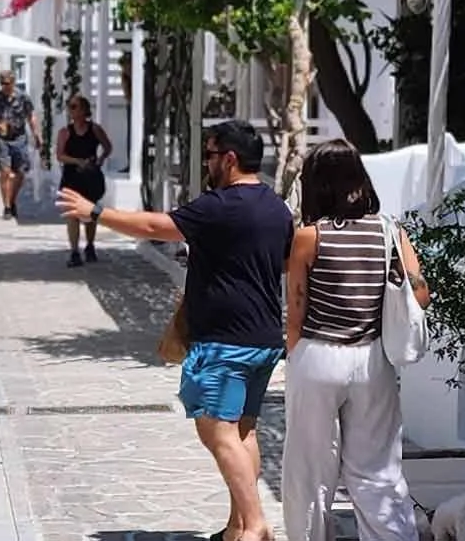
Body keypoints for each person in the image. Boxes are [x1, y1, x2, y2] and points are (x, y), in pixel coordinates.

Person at [56, 119, 291, 541]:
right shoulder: (276, 208)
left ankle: (255, 525)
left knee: (217, 432)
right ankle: (238, 525)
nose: (207, 163)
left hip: (225, 341)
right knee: (243, 431)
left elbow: (153, 227)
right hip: (262, 338)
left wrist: (95, 212)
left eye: (211, 154)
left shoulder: (220, 205)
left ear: (231, 158)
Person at [281, 139, 428, 541]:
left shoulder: (309, 236)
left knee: (309, 472)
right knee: (377, 472)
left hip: (318, 357)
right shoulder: (390, 231)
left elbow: (296, 311)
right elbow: (420, 295)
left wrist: (295, 356)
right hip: (372, 362)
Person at [55, 93, 113, 267]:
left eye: (74, 106)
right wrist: (77, 161)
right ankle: (74, 251)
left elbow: (107, 147)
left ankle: (90, 245)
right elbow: (60, 155)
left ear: (84, 110)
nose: (71, 110)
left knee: (90, 213)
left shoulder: (94, 129)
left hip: (90, 177)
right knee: (72, 214)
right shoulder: (65, 132)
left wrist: (100, 160)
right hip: (72, 177)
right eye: (69, 106)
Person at [0, 70, 40, 220]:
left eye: (7, 83)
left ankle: (12, 199)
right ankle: (7, 206)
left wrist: (36, 134)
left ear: (13, 82)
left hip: (19, 137)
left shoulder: (23, 97)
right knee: (5, 172)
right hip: (2, 139)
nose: (5, 86)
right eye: (2, 83)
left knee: (21, 172)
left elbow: (31, 115)